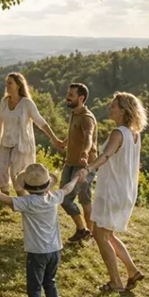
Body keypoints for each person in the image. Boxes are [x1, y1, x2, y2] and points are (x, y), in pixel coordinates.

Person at [0, 164, 80, 297]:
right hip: (55, 250)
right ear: (47, 184)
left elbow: (6, 199)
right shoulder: (53, 197)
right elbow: (67, 189)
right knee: (50, 281)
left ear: (27, 186)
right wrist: (76, 178)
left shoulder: (27, 202)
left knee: (34, 288)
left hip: (37, 253)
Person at [76, 92, 148, 293]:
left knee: (100, 235)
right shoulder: (135, 135)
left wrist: (88, 169)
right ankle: (132, 271)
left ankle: (115, 282)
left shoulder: (118, 133)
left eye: (113, 106)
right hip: (125, 191)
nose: (110, 108)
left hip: (113, 191)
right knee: (107, 233)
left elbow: (106, 156)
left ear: (123, 110)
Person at [0, 73, 64, 193]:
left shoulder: (27, 103)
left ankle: (22, 201)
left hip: (21, 144)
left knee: (15, 174)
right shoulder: (4, 101)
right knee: (0, 172)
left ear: (19, 85)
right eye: (6, 83)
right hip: (5, 142)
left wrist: (54, 139)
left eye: (10, 83)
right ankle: (7, 200)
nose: (7, 86)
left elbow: (41, 123)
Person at [56, 83, 97, 243]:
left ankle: (87, 232)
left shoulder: (87, 118)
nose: (67, 97)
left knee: (80, 200)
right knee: (64, 198)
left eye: (71, 95)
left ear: (81, 98)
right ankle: (85, 231)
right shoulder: (75, 114)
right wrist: (65, 142)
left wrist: (85, 152)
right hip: (70, 163)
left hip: (84, 165)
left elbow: (88, 137)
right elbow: (76, 132)